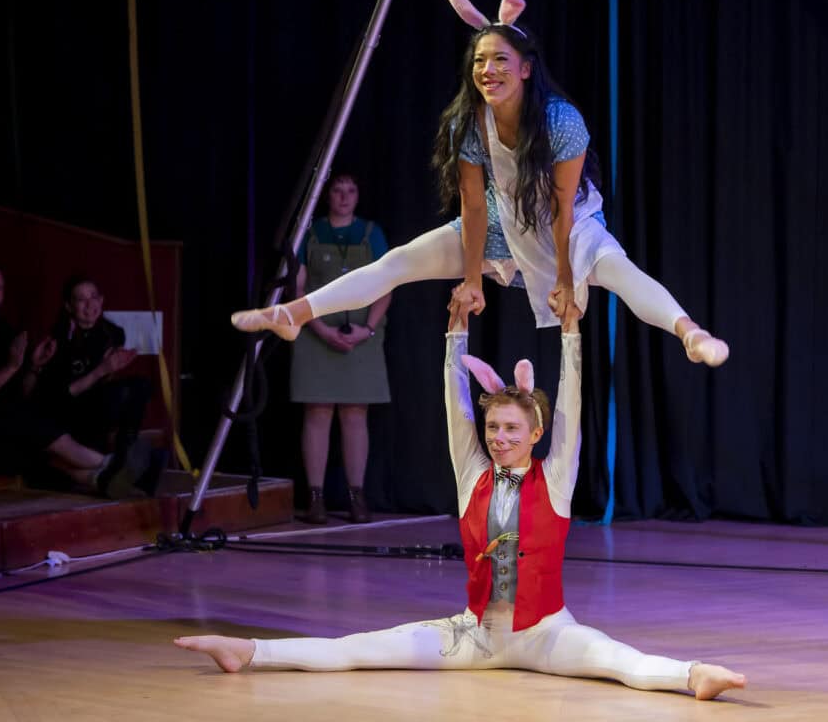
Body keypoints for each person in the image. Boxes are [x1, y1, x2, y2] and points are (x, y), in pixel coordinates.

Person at [173, 291, 746, 700]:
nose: (498, 439)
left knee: (624, 664)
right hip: (472, 634)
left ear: (535, 435)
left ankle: (694, 675)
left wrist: (570, 333)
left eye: (512, 431)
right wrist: (456, 331)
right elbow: (456, 406)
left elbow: (570, 405)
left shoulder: (557, 479)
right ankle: (247, 650)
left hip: (548, 634)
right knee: (359, 649)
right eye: (493, 429)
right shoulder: (473, 473)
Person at [230, 0, 729, 367]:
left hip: (565, 224)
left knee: (617, 270)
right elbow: (471, 203)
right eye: (479, 61)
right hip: (494, 224)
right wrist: (472, 279)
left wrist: (565, 278)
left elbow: (559, 205)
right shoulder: (465, 122)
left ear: (527, 70)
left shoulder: (561, 122)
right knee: (399, 262)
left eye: (500, 60)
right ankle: (293, 315)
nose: (487, 70)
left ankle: (688, 332)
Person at [0, 259, 159, 497]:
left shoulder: (5, 331)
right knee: (31, 421)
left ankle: (104, 478)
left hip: (19, 414)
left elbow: (26, 391)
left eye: (0, 288)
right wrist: (12, 367)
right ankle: (115, 464)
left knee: (37, 420)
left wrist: (34, 366)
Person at [288, 174, 391, 524]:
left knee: (354, 414)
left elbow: (385, 286)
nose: (344, 197)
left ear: (358, 195)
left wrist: (367, 329)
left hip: (361, 334)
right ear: (326, 194)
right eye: (337, 190)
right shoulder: (311, 232)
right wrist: (318, 328)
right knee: (317, 412)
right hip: (317, 332)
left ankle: (355, 496)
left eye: (351, 190)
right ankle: (315, 498)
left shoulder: (371, 233)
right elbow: (298, 288)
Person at [37, 275, 152, 458]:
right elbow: (63, 395)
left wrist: (113, 367)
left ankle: (126, 451)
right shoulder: (57, 340)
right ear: (69, 306)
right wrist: (102, 369)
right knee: (115, 396)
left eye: (93, 297)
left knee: (141, 385)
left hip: (98, 399)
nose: (90, 305)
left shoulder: (113, 333)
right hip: (67, 408)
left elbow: (107, 381)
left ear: (101, 300)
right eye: (81, 300)